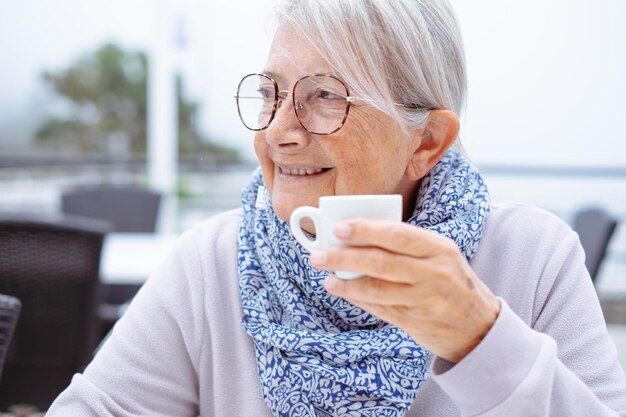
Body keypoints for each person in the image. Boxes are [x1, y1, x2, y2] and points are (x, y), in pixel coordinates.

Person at [47, 0, 626, 416]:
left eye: (323, 97)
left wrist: (481, 339)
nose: (279, 132)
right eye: (271, 95)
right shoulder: (212, 263)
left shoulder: (533, 258)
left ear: (425, 142)